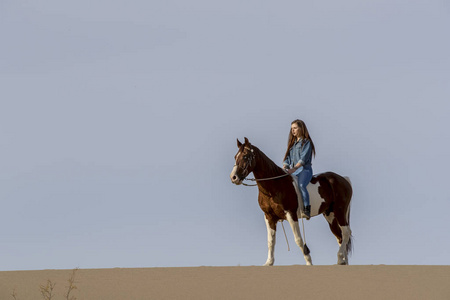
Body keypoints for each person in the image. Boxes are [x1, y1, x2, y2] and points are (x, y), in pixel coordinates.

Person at [282, 119, 316, 219]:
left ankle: (306, 208)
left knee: (301, 185)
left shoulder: (306, 143)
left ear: (301, 129)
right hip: (293, 171)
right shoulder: (292, 144)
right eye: (292, 128)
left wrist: (293, 169)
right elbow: (287, 158)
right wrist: (285, 165)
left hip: (304, 170)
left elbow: (303, 159)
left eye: (295, 128)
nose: (293, 130)